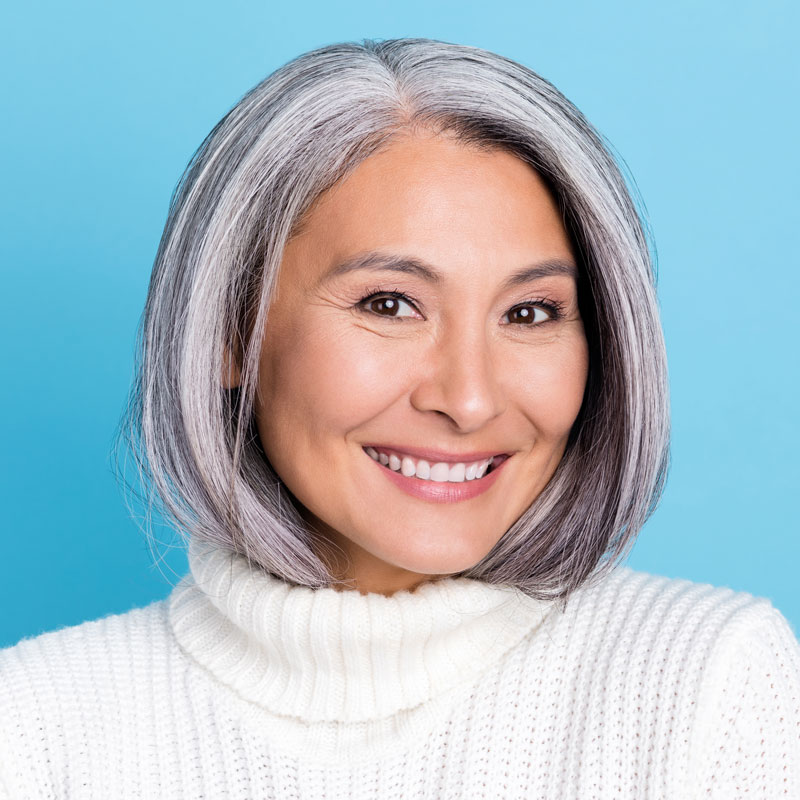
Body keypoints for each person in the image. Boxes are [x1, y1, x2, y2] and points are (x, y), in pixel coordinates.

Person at [1, 37, 798, 799]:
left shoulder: (712, 685)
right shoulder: (36, 729)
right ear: (228, 335)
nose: (470, 398)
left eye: (529, 312)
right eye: (390, 304)